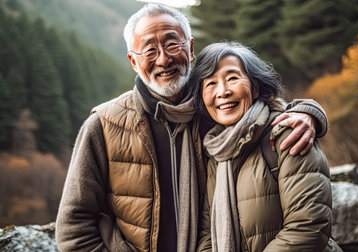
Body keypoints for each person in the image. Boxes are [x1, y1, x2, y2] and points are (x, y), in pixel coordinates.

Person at [55, 4, 329, 252]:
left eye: (172, 44)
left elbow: (263, 110)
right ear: (133, 61)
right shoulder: (104, 125)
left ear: (190, 48)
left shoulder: (212, 111)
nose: (163, 59)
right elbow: (74, 227)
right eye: (150, 49)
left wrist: (309, 113)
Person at [191, 41, 338, 252]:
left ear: (256, 86)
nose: (222, 92)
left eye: (232, 78)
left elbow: (308, 227)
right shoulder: (216, 152)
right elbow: (207, 234)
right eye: (211, 84)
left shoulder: (287, 133)